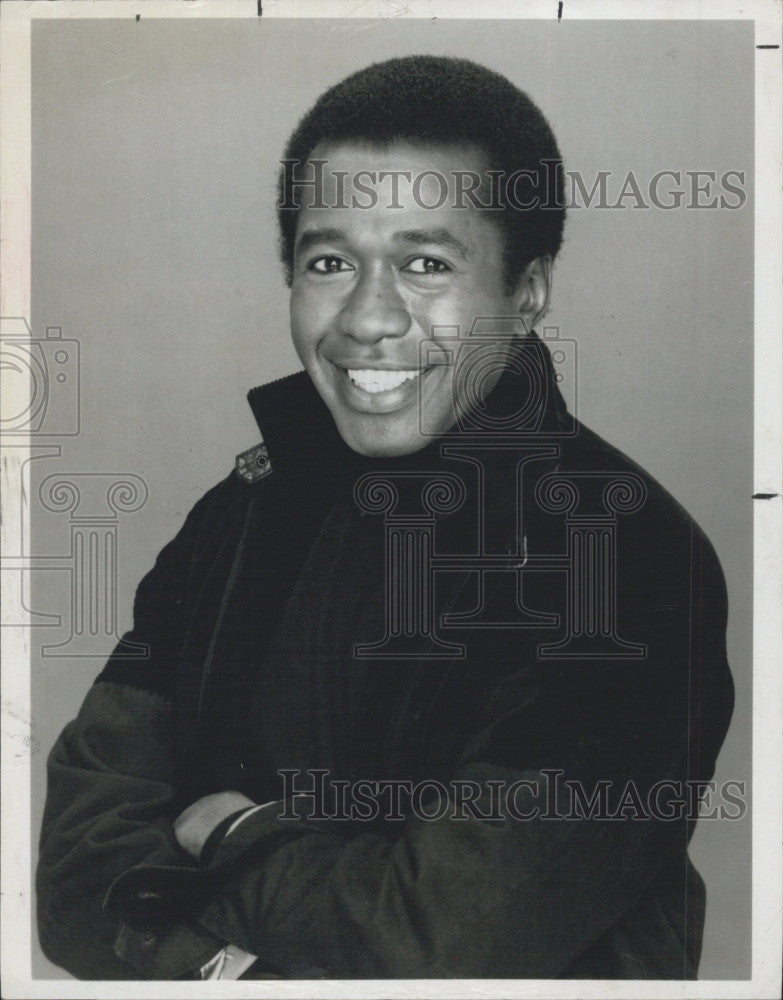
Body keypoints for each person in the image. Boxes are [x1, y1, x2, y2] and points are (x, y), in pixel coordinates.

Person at [36, 55, 734, 981]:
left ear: (525, 293)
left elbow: (451, 937)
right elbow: (76, 873)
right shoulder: (235, 518)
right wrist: (232, 964)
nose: (367, 318)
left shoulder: (627, 555)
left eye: (424, 263)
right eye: (329, 262)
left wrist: (232, 835)